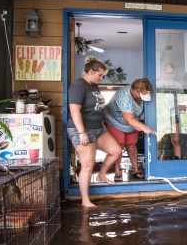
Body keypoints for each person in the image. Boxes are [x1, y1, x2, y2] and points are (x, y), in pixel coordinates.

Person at [67, 56, 122, 207]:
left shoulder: (93, 85)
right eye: (100, 75)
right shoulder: (79, 86)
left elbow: (96, 108)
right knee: (88, 165)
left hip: (98, 128)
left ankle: (101, 175)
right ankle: (85, 201)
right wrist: (82, 132)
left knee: (116, 151)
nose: (102, 78)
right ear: (91, 71)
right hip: (82, 129)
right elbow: (74, 110)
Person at [103, 78, 156, 182]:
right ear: (135, 90)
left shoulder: (140, 94)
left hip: (131, 122)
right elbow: (129, 119)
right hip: (114, 120)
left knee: (132, 144)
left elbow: (132, 119)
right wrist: (145, 127)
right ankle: (117, 171)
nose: (142, 99)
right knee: (119, 144)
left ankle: (136, 170)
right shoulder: (124, 96)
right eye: (141, 95)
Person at [156, 62, 184, 160]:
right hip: (161, 114)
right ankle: (156, 161)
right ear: (163, 72)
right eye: (168, 73)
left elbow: (182, 100)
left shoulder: (177, 84)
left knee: (176, 140)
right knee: (159, 140)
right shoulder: (158, 83)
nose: (170, 75)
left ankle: (178, 161)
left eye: (171, 73)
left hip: (174, 114)